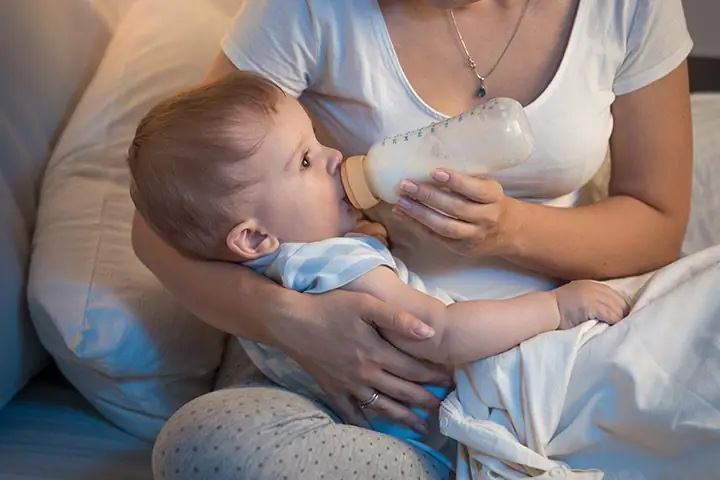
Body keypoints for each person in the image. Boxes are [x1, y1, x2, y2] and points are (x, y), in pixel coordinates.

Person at [133, 0, 694, 478]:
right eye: (306, 158)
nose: (334, 157)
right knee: (209, 441)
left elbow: (658, 220)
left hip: (535, 354)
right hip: (404, 384)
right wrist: (291, 321)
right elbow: (168, 221)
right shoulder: (332, 260)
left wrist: (509, 232)